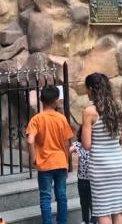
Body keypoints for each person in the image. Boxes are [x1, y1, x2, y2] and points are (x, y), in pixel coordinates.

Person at [81, 73, 122, 224]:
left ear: (91, 89)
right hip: (118, 165)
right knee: (118, 210)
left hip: (100, 166)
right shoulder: (119, 108)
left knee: (102, 211)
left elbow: (86, 145)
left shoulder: (90, 112)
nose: (86, 92)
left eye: (86, 89)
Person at [27, 85, 74, 224]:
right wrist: (66, 160)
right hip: (60, 161)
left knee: (45, 197)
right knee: (61, 196)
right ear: (56, 101)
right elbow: (66, 143)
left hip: (44, 164)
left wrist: (34, 158)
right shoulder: (62, 119)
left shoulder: (36, 119)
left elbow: (30, 141)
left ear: (41, 100)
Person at [71, 130, 98, 224]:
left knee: (92, 202)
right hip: (82, 179)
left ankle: (94, 221)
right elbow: (68, 150)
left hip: (93, 179)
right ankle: (85, 220)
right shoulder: (79, 145)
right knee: (83, 201)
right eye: (84, 134)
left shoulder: (95, 146)